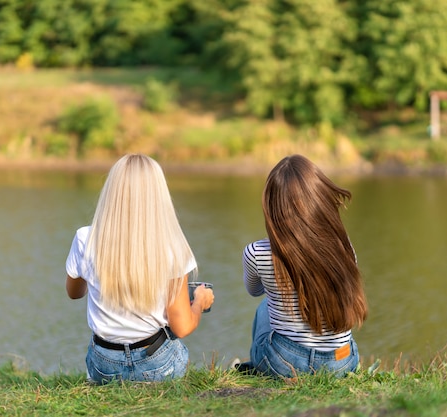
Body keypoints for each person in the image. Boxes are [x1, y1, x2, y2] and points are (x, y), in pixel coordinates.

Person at [65, 154, 214, 384]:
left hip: (103, 365)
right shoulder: (172, 244)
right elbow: (182, 327)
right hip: (156, 365)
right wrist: (200, 302)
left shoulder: (86, 238)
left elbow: (74, 292)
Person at [240, 154, 367, 378]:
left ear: (272, 207)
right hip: (342, 362)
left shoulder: (256, 252)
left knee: (264, 306)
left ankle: (259, 363)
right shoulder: (345, 248)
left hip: (284, 362)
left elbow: (254, 291)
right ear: (319, 199)